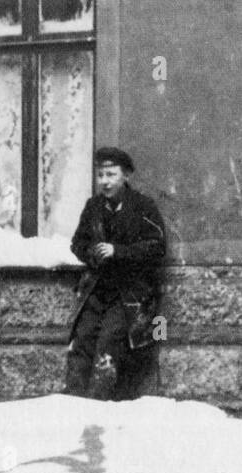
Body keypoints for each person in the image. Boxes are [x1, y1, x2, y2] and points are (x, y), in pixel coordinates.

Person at [66, 147, 167, 400]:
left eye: (111, 174)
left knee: (108, 348)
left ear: (126, 176)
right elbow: (77, 243)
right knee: (81, 343)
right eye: (100, 175)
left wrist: (117, 251)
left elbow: (157, 247)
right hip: (96, 291)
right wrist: (92, 253)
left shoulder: (143, 206)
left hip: (129, 293)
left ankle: (99, 408)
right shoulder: (94, 207)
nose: (104, 181)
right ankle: (73, 404)